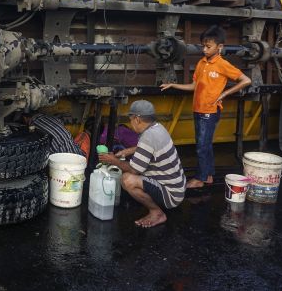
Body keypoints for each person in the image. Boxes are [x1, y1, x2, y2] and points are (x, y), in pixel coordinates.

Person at [160, 25, 251, 189]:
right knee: (205, 145)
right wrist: (173, 85)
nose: (204, 50)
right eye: (203, 46)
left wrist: (224, 94)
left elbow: (246, 80)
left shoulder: (223, 64)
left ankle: (200, 179)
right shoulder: (201, 63)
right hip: (198, 109)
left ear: (220, 47)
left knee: (202, 147)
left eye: (208, 47)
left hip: (210, 111)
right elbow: (194, 86)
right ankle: (208, 175)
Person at [98, 100, 186, 228]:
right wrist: (127, 151)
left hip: (171, 194)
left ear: (137, 119)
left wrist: (113, 160)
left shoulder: (147, 137)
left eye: (131, 119)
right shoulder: (158, 128)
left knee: (127, 179)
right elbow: (147, 147)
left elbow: (134, 170)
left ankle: (157, 212)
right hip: (178, 187)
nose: (131, 123)